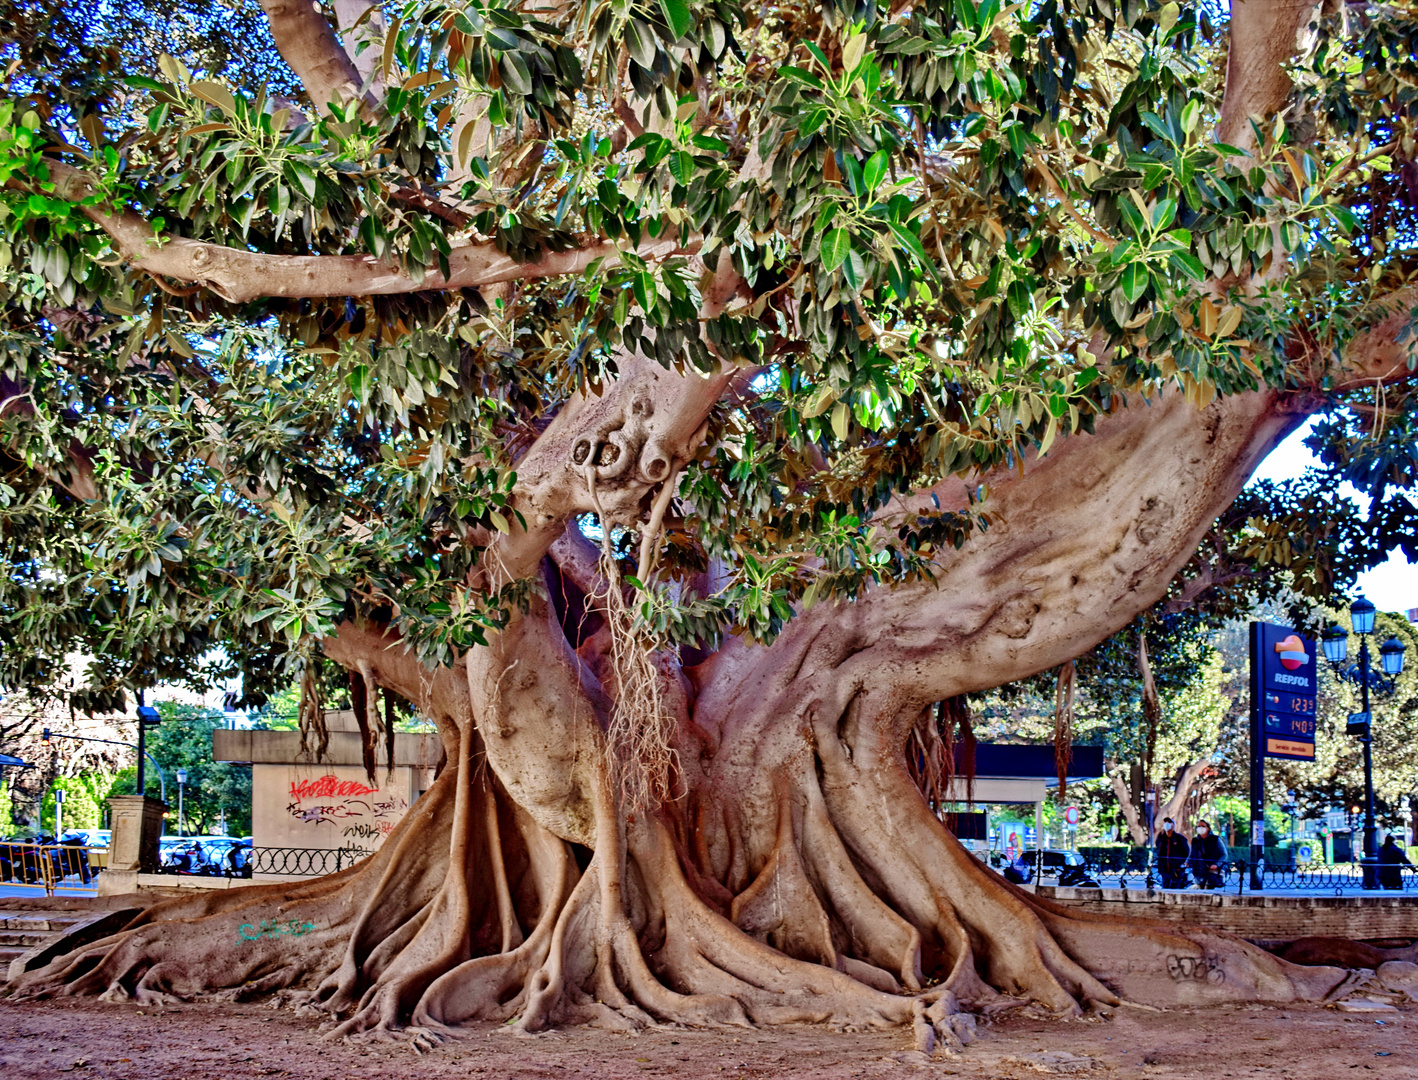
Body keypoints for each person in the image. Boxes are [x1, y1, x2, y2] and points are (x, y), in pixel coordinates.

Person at [1189, 819, 1227, 888]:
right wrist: (1188, 862)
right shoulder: (1195, 840)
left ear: (1208, 828)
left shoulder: (1215, 839)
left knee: (1208, 890)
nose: (1200, 828)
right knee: (1199, 890)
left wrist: (1216, 864)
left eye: (1203, 826)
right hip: (1198, 871)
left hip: (1210, 871)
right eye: (1198, 826)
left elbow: (1224, 854)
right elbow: (1192, 854)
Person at [1155, 817, 1189, 889]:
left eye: (1169, 822)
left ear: (1173, 825)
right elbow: (1158, 851)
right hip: (1164, 869)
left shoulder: (1180, 838)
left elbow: (1186, 852)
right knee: (1165, 888)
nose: (1167, 824)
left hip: (1176, 870)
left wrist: (1180, 863)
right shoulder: (1161, 838)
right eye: (1165, 823)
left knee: (1175, 889)